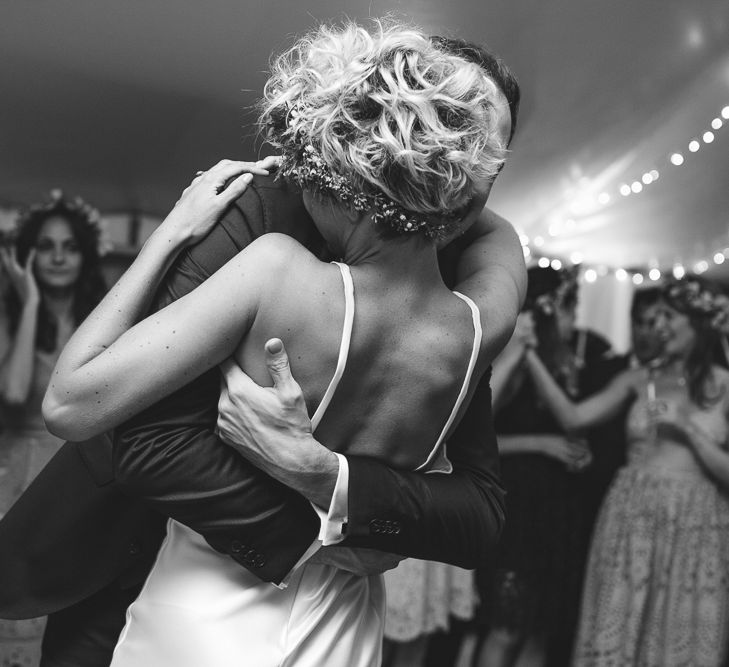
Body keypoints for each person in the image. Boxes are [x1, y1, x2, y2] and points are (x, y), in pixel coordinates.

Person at [34, 22, 523, 666]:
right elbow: (496, 231)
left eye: (315, 170)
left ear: (353, 181)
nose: (297, 180)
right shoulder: (485, 316)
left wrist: (168, 237)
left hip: (206, 614)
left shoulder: (275, 272)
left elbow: (69, 403)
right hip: (343, 620)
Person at [523, 277, 729, 666]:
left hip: (696, 526)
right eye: (652, 318)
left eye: (668, 316)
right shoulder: (639, 379)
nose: (657, 327)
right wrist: (528, 353)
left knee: (675, 632)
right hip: (631, 519)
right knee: (620, 624)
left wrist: (688, 429)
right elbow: (573, 417)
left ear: (699, 321)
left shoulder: (725, 385)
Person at [0, 193, 106, 667]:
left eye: (69, 246)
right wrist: (29, 306)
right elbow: (15, 392)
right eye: (46, 246)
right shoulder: (8, 317)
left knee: (68, 620)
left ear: (84, 255)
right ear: (28, 255)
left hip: (79, 482)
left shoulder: (103, 321)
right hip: (17, 480)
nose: (59, 256)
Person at [474, 266, 594, 667]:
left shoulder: (566, 362)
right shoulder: (509, 354)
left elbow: (575, 421)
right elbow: (474, 436)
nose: (572, 322)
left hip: (557, 511)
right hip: (517, 509)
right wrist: (543, 445)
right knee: (506, 624)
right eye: (567, 311)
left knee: (539, 626)